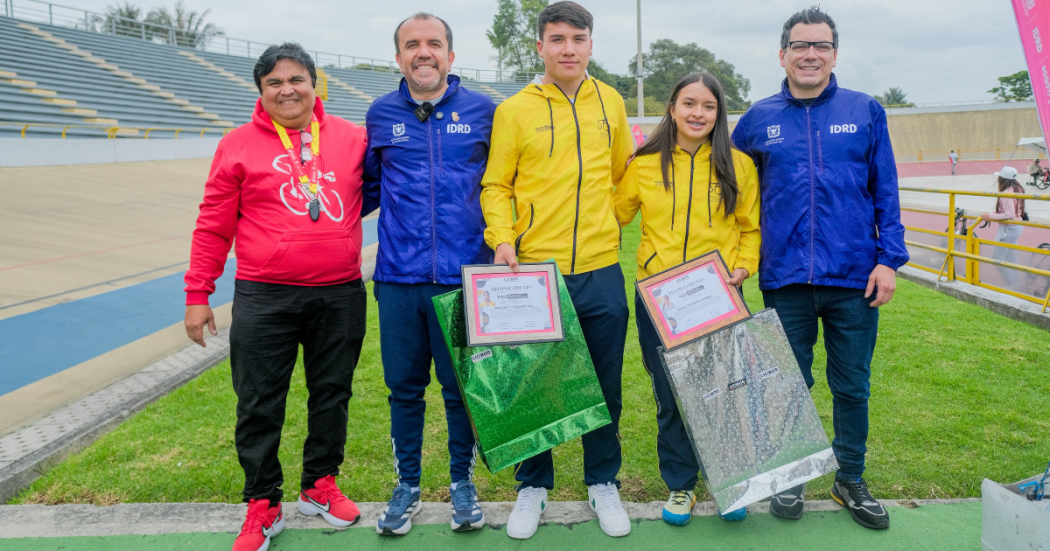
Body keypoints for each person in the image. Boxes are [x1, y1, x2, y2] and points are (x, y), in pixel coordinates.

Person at [183, 43, 368, 551]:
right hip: (265, 296)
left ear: (314, 83)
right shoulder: (238, 145)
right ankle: (263, 503)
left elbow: (370, 194)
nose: (287, 90)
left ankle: (319, 484)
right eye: (274, 83)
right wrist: (198, 292)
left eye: (296, 79)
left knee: (332, 394)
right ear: (261, 90)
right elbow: (213, 225)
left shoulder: (354, 139)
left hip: (340, 293)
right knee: (259, 402)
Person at [730, 7, 909, 531]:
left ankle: (849, 477)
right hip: (785, 279)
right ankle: (791, 475)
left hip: (855, 278)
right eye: (801, 46)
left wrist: (888, 261)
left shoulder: (865, 110)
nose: (811, 55)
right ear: (782, 54)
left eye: (822, 46)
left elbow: (886, 191)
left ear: (835, 53)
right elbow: (733, 196)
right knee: (789, 384)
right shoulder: (758, 119)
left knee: (852, 385)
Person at [480, 1, 635, 539]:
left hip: (600, 269)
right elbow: (496, 185)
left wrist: (605, 227)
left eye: (578, 38)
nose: (568, 48)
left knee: (603, 382)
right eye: (557, 39)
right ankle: (533, 486)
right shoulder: (515, 109)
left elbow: (623, 178)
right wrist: (503, 239)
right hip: (534, 273)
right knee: (535, 384)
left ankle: (602, 481)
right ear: (540, 46)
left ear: (591, 44)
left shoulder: (610, 102)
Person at [362, 12, 496, 536]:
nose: (424, 52)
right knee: (404, 388)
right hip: (398, 278)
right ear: (398, 57)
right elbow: (367, 190)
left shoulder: (485, 112)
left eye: (433, 44)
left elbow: (503, 185)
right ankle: (409, 484)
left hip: (465, 278)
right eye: (412, 45)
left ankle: (462, 481)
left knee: (461, 387)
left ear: (450, 55)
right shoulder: (379, 114)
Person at [613, 72, 760, 526]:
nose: (698, 113)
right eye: (689, 104)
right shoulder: (643, 164)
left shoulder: (738, 165)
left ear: (719, 113)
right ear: (672, 108)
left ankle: (731, 482)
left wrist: (744, 266)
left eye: (708, 106)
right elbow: (613, 215)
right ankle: (681, 485)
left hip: (719, 297)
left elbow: (750, 228)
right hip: (659, 300)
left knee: (726, 392)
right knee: (672, 395)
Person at [981, 166, 1026, 286]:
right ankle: (1016, 282)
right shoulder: (1018, 189)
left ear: (1002, 179)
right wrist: (992, 214)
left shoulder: (1006, 193)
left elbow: (1008, 214)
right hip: (1016, 227)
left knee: (997, 258)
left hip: (1010, 229)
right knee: (1011, 256)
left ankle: (1012, 283)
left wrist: (990, 215)